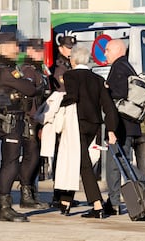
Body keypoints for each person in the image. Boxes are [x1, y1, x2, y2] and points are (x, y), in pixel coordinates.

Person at [55, 45, 118, 218]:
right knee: (80, 159)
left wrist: (56, 104)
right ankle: (65, 202)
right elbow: (108, 106)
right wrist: (111, 129)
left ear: (72, 60)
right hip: (94, 124)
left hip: (77, 122)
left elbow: (72, 97)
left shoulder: (69, 75)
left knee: (83, 163)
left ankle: (97, 205)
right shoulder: (97, 79)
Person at [0, 32, 38, 222]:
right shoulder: (3, 71)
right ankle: (3, 207)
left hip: (14, 118)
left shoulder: (8, 68)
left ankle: (5, 205)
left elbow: (29, 87)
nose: (17, 49)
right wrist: (25, 84)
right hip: (8, 119)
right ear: (4, 47)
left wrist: (25, 84)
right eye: (14, 45)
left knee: (12, 161)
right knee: (10, 162)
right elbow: (31, 88)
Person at [103, 39, 142, 215]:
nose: (105, 53)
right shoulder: (127, 66)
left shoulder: (119, 68)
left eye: (108, 49)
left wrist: (105, 89)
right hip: (130, 124)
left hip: (120, 125)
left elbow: (118, 95)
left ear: (119, 50)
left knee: (117, 162)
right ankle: (114, 201)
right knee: (121, 161)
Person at [18, 38, 49, 209]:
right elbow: (28, 95)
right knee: (31, 157)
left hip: (38, 118)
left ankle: (31, 193)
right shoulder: (28, 71)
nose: (40, 53)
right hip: (30, 119)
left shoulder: (39, 70)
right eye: (37, 50)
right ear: (29, 51)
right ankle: (26, 195)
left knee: (37, 158)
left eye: (41, 50)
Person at [50, 35, 78, 208]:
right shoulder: (59, 68)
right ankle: (58, 195)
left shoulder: (68, 65)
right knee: (61, 156)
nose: (70, 51)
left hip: (69, 113)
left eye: (72, 48)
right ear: (60, 48)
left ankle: (63, 194)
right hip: (62, 114)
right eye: (68, 48)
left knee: (66, 156)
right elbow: (62, 91)